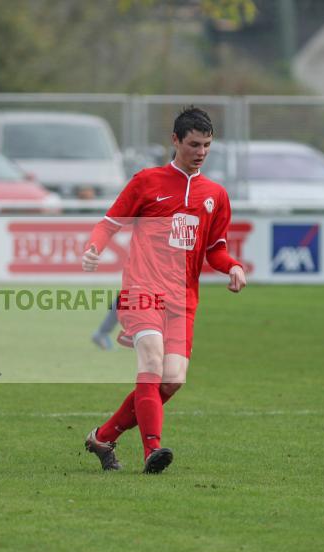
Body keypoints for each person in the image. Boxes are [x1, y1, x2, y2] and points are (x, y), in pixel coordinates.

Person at [81, 106, 247, 474]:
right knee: (152, 363)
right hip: (142, 289)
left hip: (182, 299)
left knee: (172, 380)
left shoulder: (215, 196)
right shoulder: (147, 181)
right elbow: (108, 224)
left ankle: (103, 437)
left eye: (206, 145)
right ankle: (151, 451)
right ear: (175, 140)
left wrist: (233, 266)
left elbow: (214, 249)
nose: (200, 152)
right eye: (193, 144)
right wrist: (94, 248)